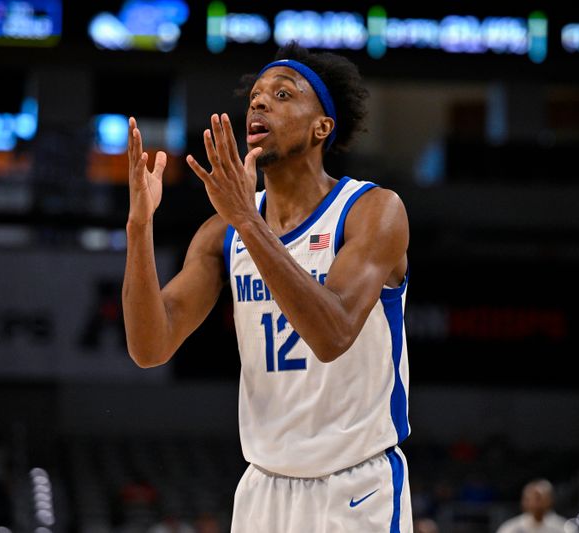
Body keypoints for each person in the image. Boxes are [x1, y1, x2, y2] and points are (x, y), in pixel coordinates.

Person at [122, 42, 411, 532]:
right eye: (255, 95)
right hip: (263, 489)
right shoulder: (223, 232)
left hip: (355, 490)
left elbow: (333, 333)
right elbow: (150, 347)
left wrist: (247, 222)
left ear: (323, 127)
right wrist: (138, 229)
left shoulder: (373, 211)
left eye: (283, 94)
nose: (259, 103)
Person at [496, 479, 576, 533]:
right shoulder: (511, 528)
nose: (533, 503)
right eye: (528, 498)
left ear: (550, 500)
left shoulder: (564, 528)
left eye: (538, 498)